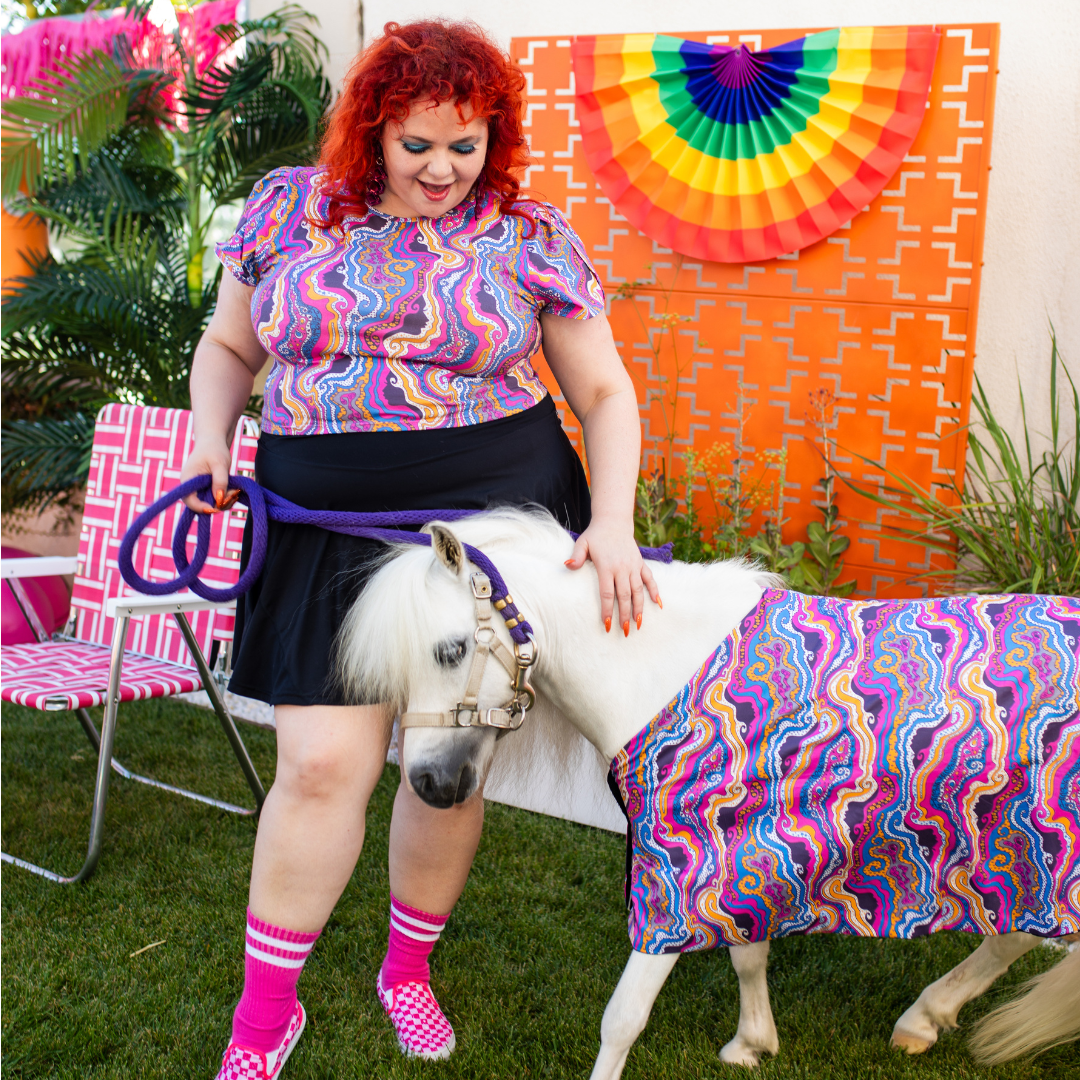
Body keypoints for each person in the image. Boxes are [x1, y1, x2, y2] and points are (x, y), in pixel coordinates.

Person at [181, 19, 658, 1079]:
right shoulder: (286, 212)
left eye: (468, 144)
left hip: (488, 540)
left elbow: (605, 392)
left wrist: (612, 522)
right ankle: (264, 1020)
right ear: (371, 132)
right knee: (318, 767)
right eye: (417, 145)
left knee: (444, 773)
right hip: (322, 535)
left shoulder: (528, 233)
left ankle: (407, 973)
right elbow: (228, 344)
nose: (445, 169)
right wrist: (216, 435)